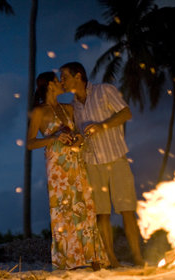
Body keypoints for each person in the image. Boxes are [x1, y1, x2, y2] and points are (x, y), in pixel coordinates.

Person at [59, 62, 145, 267]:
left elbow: (126, 113)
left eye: (64, 77)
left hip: (115, 158)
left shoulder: (104, 90)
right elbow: (80, 134)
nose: (62, 81)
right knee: (102, 214)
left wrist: (102, 126)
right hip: (92, 162)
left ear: (78, 76)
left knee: (127, 209)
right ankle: (113, 260)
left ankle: (138, 257)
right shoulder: (74, 106)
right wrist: (78, 139)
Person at [27, 71, 110, 270]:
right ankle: (67, 260)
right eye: (57, 80)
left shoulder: (68, 108)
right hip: (57, 167)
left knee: (85, 207)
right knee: (63, 211)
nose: (61, 82)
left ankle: (92, 257)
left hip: (76, 161)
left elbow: (77, 132)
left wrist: (79, 138)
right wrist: (54, 137)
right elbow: (30, 143)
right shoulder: (39, 112)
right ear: (48, 85)